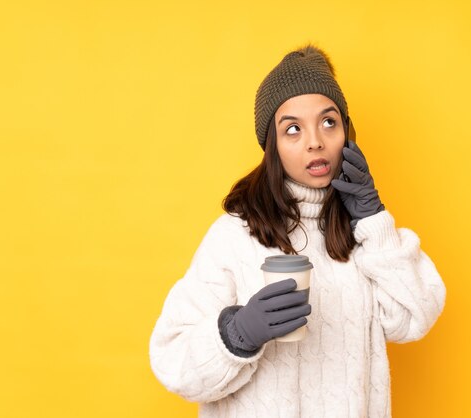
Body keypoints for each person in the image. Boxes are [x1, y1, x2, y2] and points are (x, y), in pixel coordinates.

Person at [149, 44, 446, 418]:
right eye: (293, 129)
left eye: (328, 122)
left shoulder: (363, 235)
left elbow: (413, 318)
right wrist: (237, 334)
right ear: (272, 146)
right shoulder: (235, 236)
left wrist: (372, 218)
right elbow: (171, 360)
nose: (315, 142)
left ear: (348, 133)